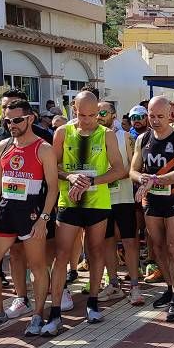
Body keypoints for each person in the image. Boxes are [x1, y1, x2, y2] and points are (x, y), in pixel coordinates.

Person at [43, 91, 126, 335]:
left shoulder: (107, 134)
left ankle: (92, 302)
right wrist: (69, 176)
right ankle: (55, 310)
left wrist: (93, 181)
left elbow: (119, 169)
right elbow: (52, 166)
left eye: (94, 114)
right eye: (82, 114)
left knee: (95, 250)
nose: (89, 119)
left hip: (97, 203)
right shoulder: (62, 132)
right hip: (68, 202)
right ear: (73, 109)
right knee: (62, 254)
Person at [0, 99, 58, 338]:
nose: (12, 124)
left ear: (30, 118)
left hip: (31, 212)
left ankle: (37, 314)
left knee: (37, 266)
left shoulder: (43, 148)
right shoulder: (3, 145)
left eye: (17, 120)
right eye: (7, 120)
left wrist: (43, 218)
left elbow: (53, 188)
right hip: (5, 210)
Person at [130, 96, 174, 321]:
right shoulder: (142, 139)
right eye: (151, 116)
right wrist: (143, 178)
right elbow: (133, 170)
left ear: (170, 116)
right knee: (158, 246)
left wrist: (154, 179)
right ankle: (169, 287)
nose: (155, 121)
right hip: (151, 200)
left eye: (160, 117)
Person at [99, 101, 142, 306]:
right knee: (106, 241)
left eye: (103, 112)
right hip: (100, 198)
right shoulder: (91, 136)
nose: (98, 115)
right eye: (95, 112)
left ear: (113, 114)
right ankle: (113, 283)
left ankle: (135, 285)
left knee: (129, 241)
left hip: (123, 197)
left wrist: (112, 176)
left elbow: (133, 167)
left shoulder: (124, 136)